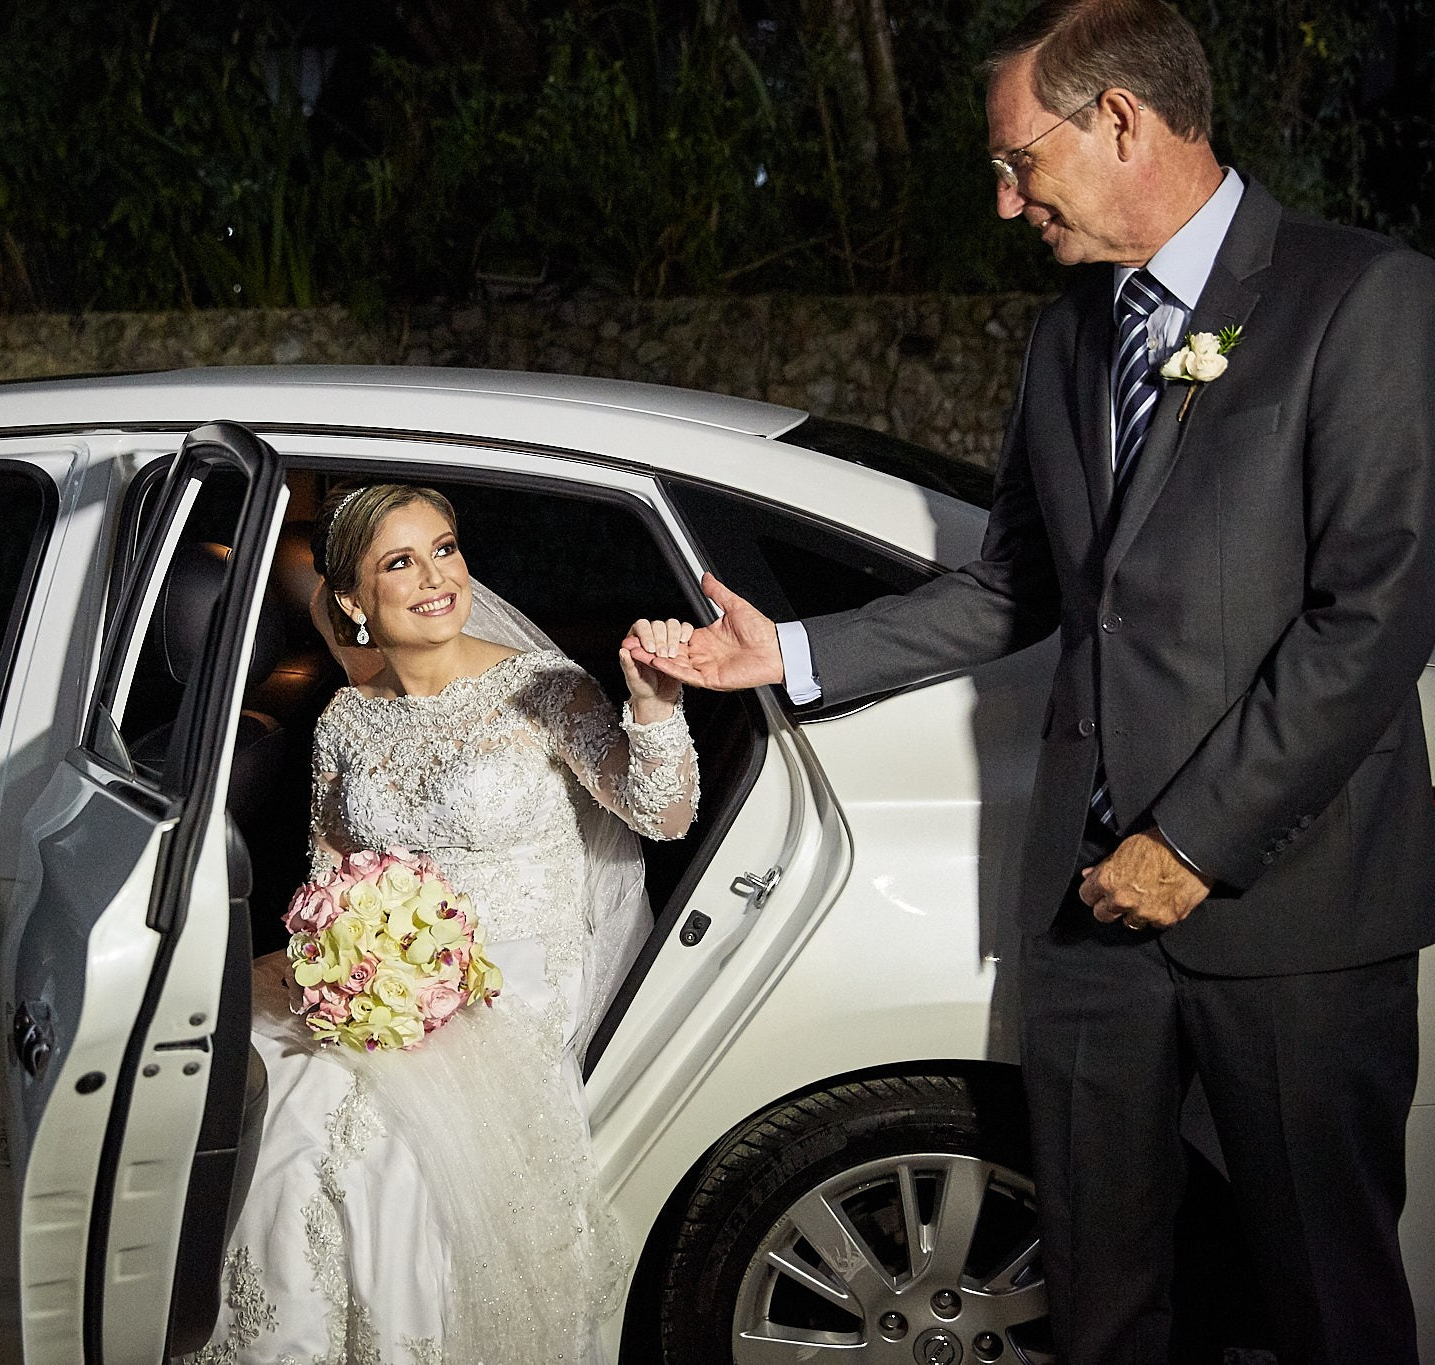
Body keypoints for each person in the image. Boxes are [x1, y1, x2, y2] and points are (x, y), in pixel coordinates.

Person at [623, 1, 1435, 1360]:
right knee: (1099, 1303)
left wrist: (1191, 842)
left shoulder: (1361, 298)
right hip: (1084, 924)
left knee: (1324, 1307)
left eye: (1016, 161)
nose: (1005, 203)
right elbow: (1020, 584)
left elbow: (1377, 613)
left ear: (1119, 119)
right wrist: (797, 653)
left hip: (1293, 914)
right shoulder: (1069, 339)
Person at [181, 483, 699, 1365]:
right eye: (400, 561)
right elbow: (332, 872)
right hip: (381, 974)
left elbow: (663, 813)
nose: (436, 577)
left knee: (375, 1145)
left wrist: (652, 706)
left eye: (446, 549)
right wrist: (345, 967)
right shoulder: (347, 719)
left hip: (515, 975)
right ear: (352, 599)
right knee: (257, 1087)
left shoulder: (541, 688)